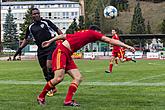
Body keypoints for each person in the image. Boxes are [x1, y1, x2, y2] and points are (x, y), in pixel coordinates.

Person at [37, 25, 135, 106]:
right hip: (61, 52)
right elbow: (110, 41)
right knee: (58, 78)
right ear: (95, 31)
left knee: (78, 77)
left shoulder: (81, 33)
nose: (98, 37)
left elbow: (64, 35)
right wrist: (127, 46)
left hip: (67, 54)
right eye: (98, 33)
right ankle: (41, 96)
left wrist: (50, 41)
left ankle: (67, 101)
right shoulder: (93, 33)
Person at [13, 8, 63, 96]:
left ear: (39, 14)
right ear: (31, 16)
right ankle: (52, 88)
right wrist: (20, 49)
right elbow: (27, 39)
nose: (36, 15)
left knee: (49, 65)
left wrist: (63, 39)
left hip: (51, 46)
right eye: (34, 14)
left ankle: (53, 83)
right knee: (44, 69)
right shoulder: (30, 27)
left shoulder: (46, 22)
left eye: (37, 13)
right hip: (40, 50)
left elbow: (57, 30)